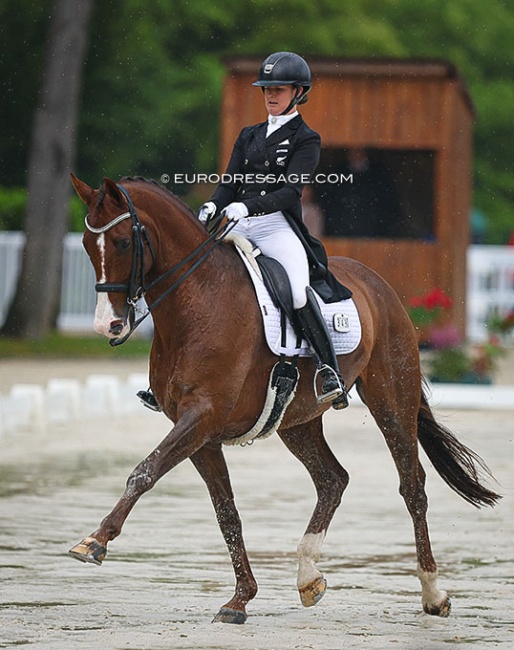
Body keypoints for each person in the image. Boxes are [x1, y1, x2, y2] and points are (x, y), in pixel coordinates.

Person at [139, 51, 351, 412]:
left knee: (298, 291)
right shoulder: (249, 134)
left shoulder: (306, 138)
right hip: (237, 223)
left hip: (276, 227)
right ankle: (166, 376)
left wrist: (248, 206)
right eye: (266, 89)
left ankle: (329, 371)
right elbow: (230, 182)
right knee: (192, 278)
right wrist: (213, 204)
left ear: (299, 92)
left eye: (278, 89)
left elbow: (289, 193)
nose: (270, 95)